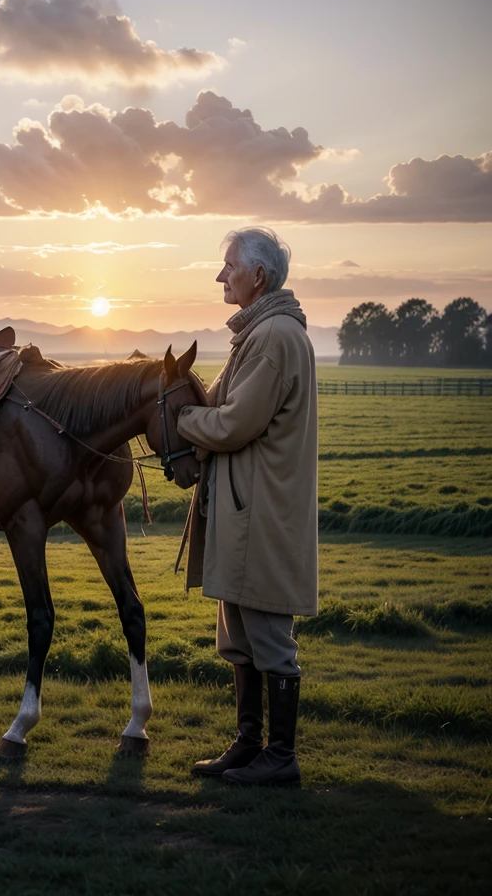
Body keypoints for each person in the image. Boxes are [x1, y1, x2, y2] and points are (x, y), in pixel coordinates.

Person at [176, 227, 318, 786]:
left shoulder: (275, 337)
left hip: (262, 507)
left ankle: (279, 758)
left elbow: (236, 422)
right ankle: (249, 744)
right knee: (240, 632)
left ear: (257, 275)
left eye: (229, 265)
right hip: (244, 506)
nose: (221, 276)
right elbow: (225, 405)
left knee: (267, 634)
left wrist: (182, 423)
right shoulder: (259, 334)